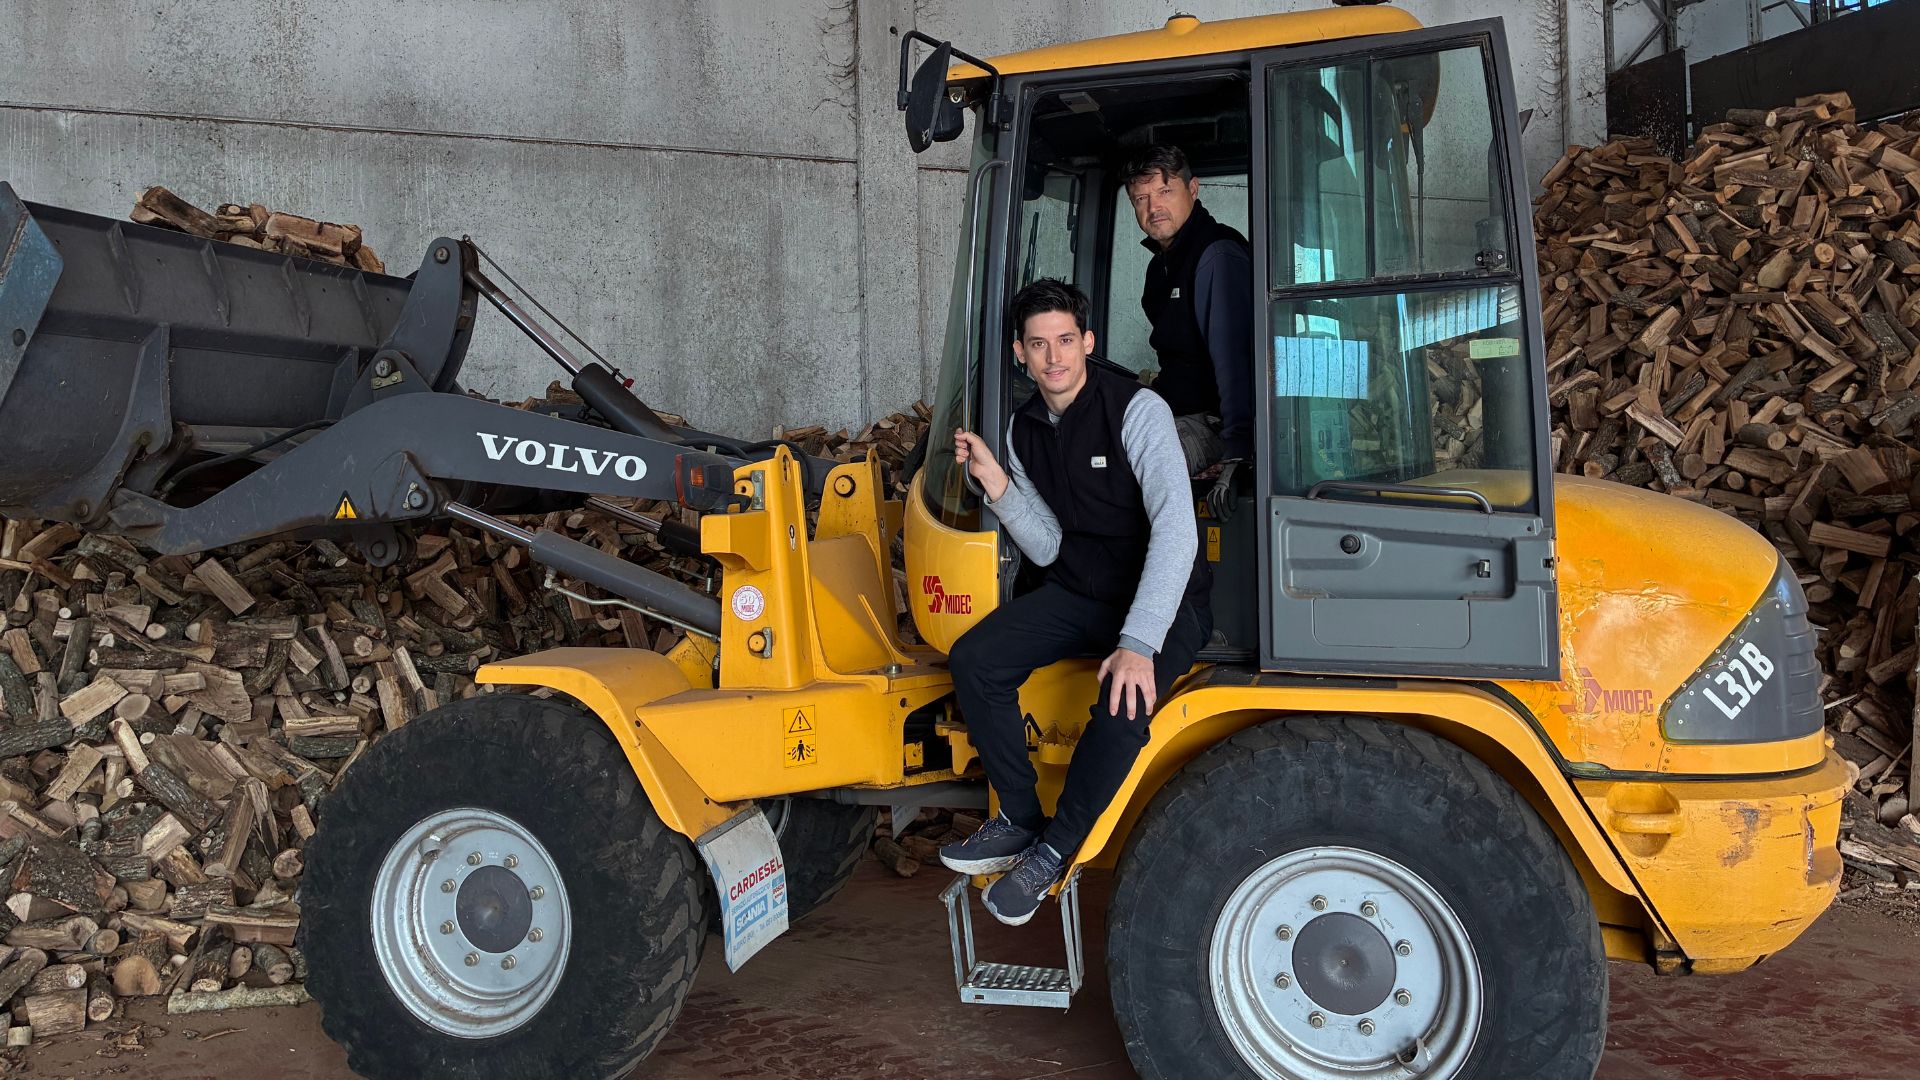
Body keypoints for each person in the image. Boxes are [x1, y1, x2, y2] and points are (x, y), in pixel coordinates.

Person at [937, 278, 1212, 926]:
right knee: (976, 659)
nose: (1054, 357)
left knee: (1122, 704)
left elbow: (1178, 530)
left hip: (1164, 600)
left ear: (1087, 342)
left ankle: (1055, 850)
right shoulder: (1022, 428)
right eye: (1039, 345)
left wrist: (1139, 644)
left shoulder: (1135, 411)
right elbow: (1048, 546)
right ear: (1020, 353)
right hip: (1084, 588)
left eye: (1065, 340)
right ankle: (1020, 819)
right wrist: (999, 484)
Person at [1125, 144, 1254, 473]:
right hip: (1171, 411)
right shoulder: (1159, 268)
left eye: (1165, 191)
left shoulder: (1217, 256)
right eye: (1142, 198)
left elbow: (1236, 360)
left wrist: (1237, 450)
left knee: (1128, 468)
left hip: (1211, 425)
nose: (1154, 207)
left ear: (1193, 189)